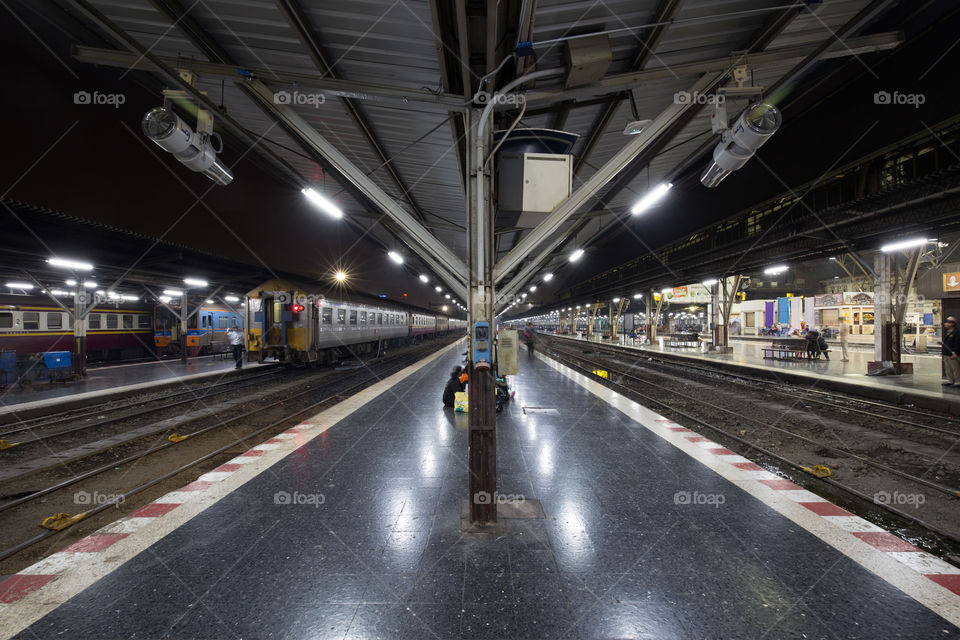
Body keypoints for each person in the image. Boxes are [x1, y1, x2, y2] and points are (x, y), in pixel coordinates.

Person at [942, 317, 960, 387]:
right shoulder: (949, 332)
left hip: (952, 354)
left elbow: (957, 344)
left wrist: (956, 353)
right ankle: (950, 380)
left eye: (947, 322)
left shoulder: (956, 332)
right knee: (948, 368)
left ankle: (958, 381)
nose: (945, 324)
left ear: (952, 324)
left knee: (955, 368)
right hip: (947, 353)